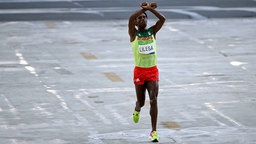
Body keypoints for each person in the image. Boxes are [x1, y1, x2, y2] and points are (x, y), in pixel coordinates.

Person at [128, 1, 165, 142]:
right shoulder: (133, 34)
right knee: (142, 102)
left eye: (144, 17)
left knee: (154, 100)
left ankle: (154, 132)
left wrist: (149, 9)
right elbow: (131, 18)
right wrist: (142, 9)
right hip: (139, 72)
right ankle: (137, 109)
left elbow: (162, 19)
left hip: (152, 71)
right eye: (140, 18)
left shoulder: (152, 32)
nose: (142, 19)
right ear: (136, 23)